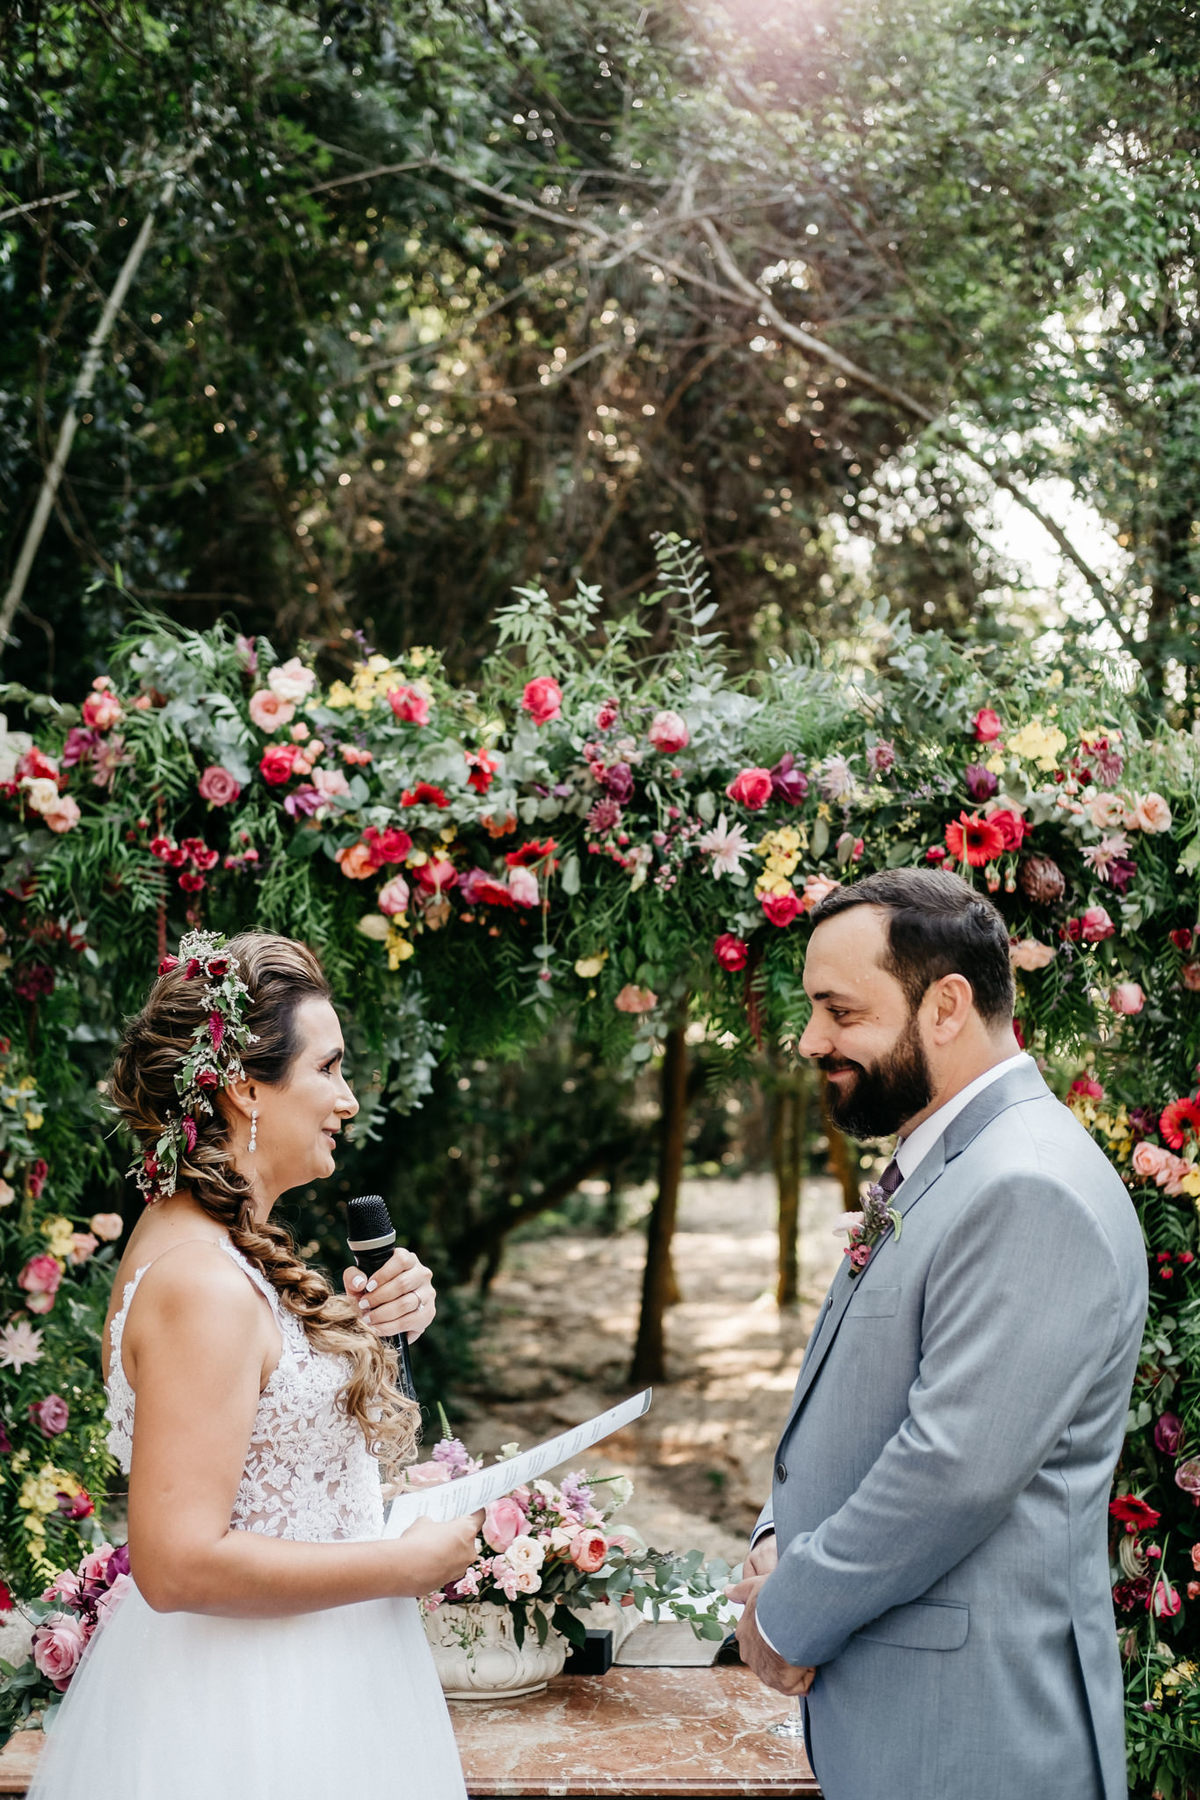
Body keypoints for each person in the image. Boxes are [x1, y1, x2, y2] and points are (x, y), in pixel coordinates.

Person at [30, 930, 480, 1800]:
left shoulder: (216, 1250)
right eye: (330, 1069)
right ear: (244, 1089)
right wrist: (404, 1566)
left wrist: (378, 1326)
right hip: (248, 1711)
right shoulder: (202, 1281)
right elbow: (177, 1562)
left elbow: (271, 1435)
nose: (347, 1100)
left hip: (312, 1670)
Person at [727, 869, 1147, 1800]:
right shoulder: (946, 1164)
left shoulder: (1026, 1185)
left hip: (974, 1740)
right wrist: (776, 1536)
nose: (811, 1040)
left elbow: (952, 1466)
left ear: (947, 1004)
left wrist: (788, 1614)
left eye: (840, 1011)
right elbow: (859, 1389)